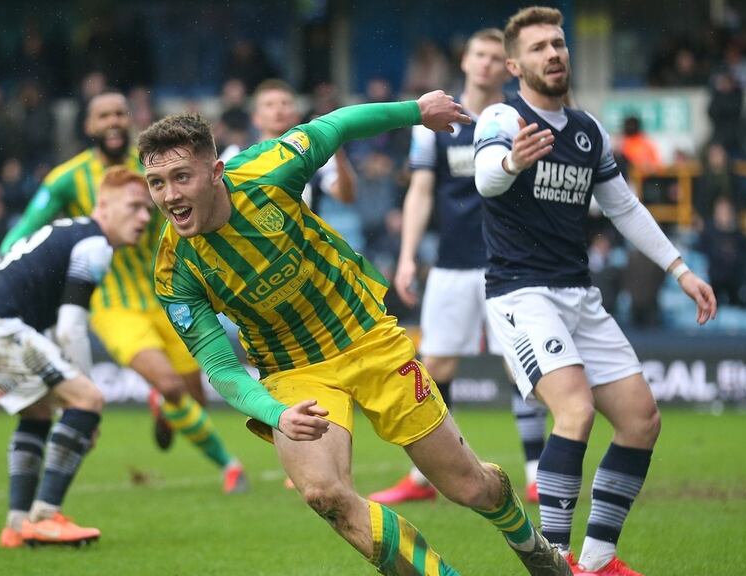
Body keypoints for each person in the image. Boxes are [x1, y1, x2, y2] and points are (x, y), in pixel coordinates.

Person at [142, 96, 572, 575]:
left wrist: (417, 110)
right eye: (157, 183)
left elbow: (337, 124)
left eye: (182, 177)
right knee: (324, 493)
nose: (170, 196)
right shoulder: (172, 270)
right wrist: (276, 413)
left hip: (367, 337)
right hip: (292, 372)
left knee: (468, 486)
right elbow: (220, 366)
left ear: (217, 171)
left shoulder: (267, 170)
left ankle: (530, 545)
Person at [472, 7, 718, 575]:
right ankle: (555, 562)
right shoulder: (501, 117)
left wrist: (681, 269)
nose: (553, 53)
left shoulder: (587, 131)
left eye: (558, 44)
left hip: (578, 294)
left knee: (640, 419)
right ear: (515, 64)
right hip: (520, 294)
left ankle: (600, 559)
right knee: (575, 411)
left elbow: (624, 207)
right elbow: (486, 178)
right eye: (538, 48)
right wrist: (513, 160)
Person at [1, 90, 247, 493]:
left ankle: (164, 409)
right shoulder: (68, 178)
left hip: (169, 294)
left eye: (120, 113)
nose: (113, 121)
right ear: (89, 126)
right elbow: (24, 228)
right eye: (103, 115)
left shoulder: (155, 168)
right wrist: (6, 268)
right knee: (169, 385)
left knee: (192, 400)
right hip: (114, 305)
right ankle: (230, 465)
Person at [371, 28, 548, 506]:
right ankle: (424, 476)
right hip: (451, 265)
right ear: (465, 61)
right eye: (480, 55)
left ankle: (538, 475)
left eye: (496, 57)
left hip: (509, 263)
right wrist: (407, 256)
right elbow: (421, 191)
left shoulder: (520, 118)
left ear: (507, 66)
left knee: (520, 368)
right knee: (435, 367)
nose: (488, 63)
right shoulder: (435, 120)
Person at [0, 166, 152, 548]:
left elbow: (48, 326)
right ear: (104, 205)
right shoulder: (94, 243)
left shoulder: (65, 232)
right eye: (135, 206)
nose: (145, 217)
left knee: (35, 413)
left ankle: (16, 525)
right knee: (87, 399)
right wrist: (85, 401)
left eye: (148, 209)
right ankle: (47, 516)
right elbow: (70, 328)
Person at [219, 78, 356, 215]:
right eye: (269, 105)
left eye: (285, 103)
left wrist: (336, 146)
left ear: (297, 116)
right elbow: (216, 197)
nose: (278, 110)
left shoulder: (315, 151)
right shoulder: (235, 154)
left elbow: (346, 196)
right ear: (256, 118)